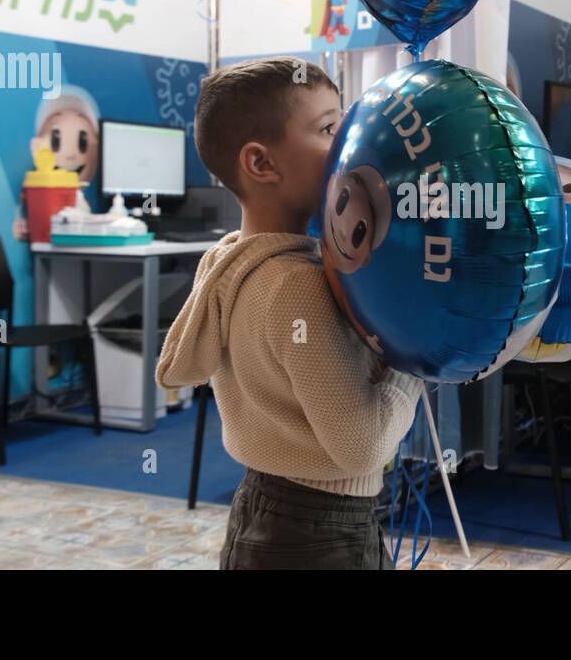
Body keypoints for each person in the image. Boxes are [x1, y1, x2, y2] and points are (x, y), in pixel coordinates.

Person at [156, 57, 422, 569]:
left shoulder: (230, 258)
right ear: (261, 164)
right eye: (328, 128)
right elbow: (361, 447)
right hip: (318, 531)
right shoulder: (294, 286)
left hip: (269, 513)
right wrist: (415, 364)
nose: (349, 141)